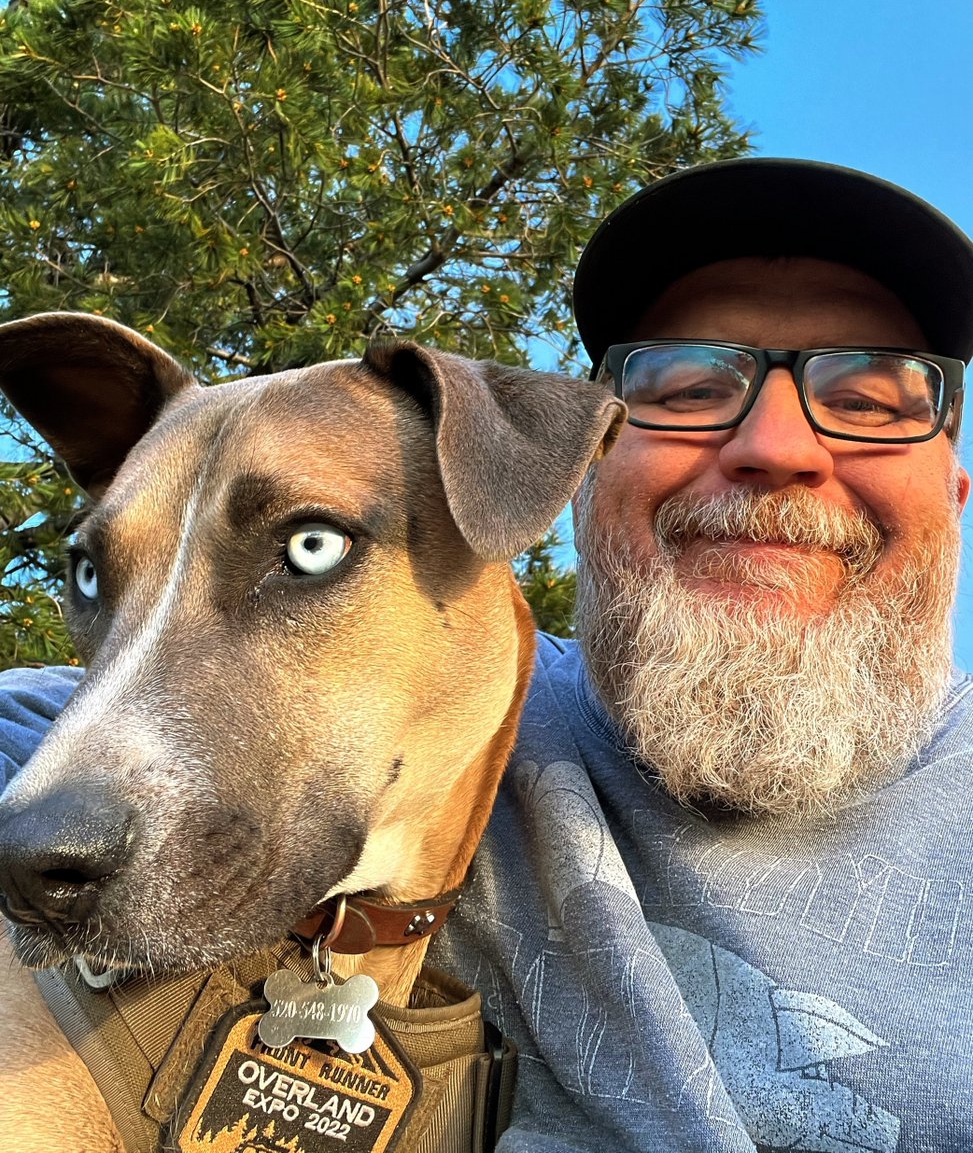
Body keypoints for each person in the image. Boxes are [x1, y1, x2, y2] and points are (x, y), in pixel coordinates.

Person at [2, 158, 973, 1152]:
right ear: (580, 476)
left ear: (953, 490)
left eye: (868, 398)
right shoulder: (472, 714)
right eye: (685, 386)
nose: (777, 445)